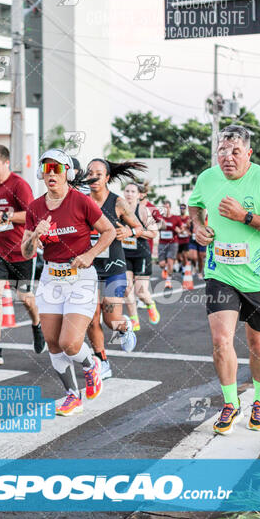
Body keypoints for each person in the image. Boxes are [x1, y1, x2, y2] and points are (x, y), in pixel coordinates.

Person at [22, 149, 116, 416]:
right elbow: (25, 252)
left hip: (80, 279)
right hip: (51, 277)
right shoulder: (35, 208)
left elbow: (108, 231)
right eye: (47, 169)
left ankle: (91, 365)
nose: (51, 174)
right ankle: (72, 395)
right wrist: (34, 238)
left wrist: (90, 254)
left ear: (67, 173)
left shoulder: (80, 201)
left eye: (57, 169)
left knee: (70, 343)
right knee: (52, 341)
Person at [189, 124, 260, 434]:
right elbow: (195, 204)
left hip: (259, 276)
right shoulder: (207, 178)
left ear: (248, 153)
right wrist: (197, 226)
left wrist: (245, 217)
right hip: (220, 273)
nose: (228, 157)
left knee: (259, 346)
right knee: (221, 341)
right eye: (222, 151)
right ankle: (230, 402)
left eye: (235, 151)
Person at [0, 145, 44, 363]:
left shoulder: (19, 185)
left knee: (25, 298)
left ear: (6, 163)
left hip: (20, 251)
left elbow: (31, 217)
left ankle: (37, 324)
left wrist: (3, 215)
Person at [86, 158, 144, 380]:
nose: (93, 177)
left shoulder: (118, 203)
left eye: (98, 174)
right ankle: (102, 361)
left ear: (107, 178)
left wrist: (129, 232)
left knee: (111, 321)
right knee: (92, 318)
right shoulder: (81, 201)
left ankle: (124, 326)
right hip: (88, 268)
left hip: (113, 267)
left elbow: (139, 227)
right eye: (90, 173)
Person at [123, 182, 160, 330]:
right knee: (126, 288)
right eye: (127, 191)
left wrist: (135, 232)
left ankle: (150, 304)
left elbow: (154, 232)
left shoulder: (144, 211)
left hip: (141, 254)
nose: (129, 194)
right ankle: (134, 320)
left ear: (139, 195)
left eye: (133, 191)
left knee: (141, 291)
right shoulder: (119, 209)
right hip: (124, 253)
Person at [158, 200, 183, 291]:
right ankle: (164, 269)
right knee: (161, 264)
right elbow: (155, 228)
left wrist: (178, 230)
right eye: (164, 207)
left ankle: (168, 281)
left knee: (170, 262)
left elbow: (181, 230)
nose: (166, 209)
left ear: (170, 208)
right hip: (162, 243)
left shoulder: (176, 218)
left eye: (167, 207)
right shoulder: (159, 218)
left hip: (173, 243)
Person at [176, 203, 191, 273]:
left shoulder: (188, 218)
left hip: (186, 240)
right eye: (181, 208)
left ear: (185, 209)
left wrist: (189, 227)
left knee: (185, 255)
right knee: (178, 256)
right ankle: (180, 264)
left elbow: (191, 228)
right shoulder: (177, 218)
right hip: (178, 240)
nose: (182, 210)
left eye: (183, 208)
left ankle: (184, 269)